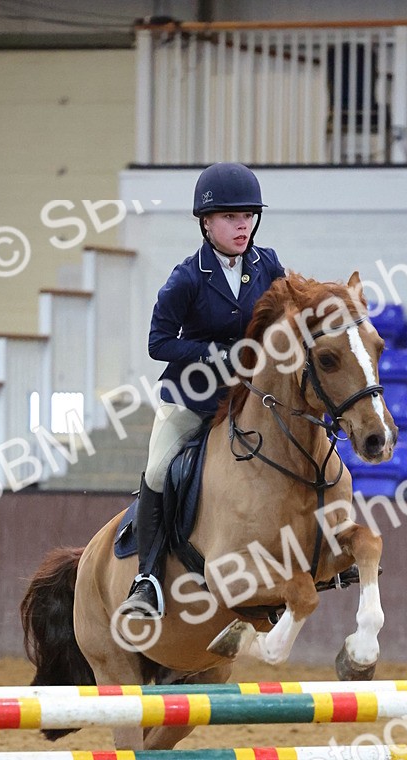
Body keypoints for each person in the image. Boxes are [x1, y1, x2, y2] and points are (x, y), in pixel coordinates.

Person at [122, 161, 286, 618]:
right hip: (192, 399)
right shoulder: (187, 278)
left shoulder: (267, 264)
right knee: (158, 471)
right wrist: (217, 353)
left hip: (249, 398)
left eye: (248, 216)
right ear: (207, 223)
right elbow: (158, 343)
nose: (243, 225)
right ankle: (147, 578)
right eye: (231, 217)